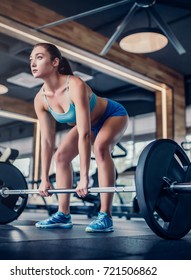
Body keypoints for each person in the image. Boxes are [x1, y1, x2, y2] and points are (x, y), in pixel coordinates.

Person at [30, 43, 128, 233]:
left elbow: (84, 133)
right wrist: (43, 179)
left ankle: (105, 215)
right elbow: (47, 141)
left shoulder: (74, 85)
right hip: (88, 124)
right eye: (31, 59)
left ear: (55, 62)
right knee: (61, 157)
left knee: (100, 148)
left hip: (112, 115)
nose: (33, 63)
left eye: (39, 57)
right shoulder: (40, 99)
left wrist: (84, 178)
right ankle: (63, 214)